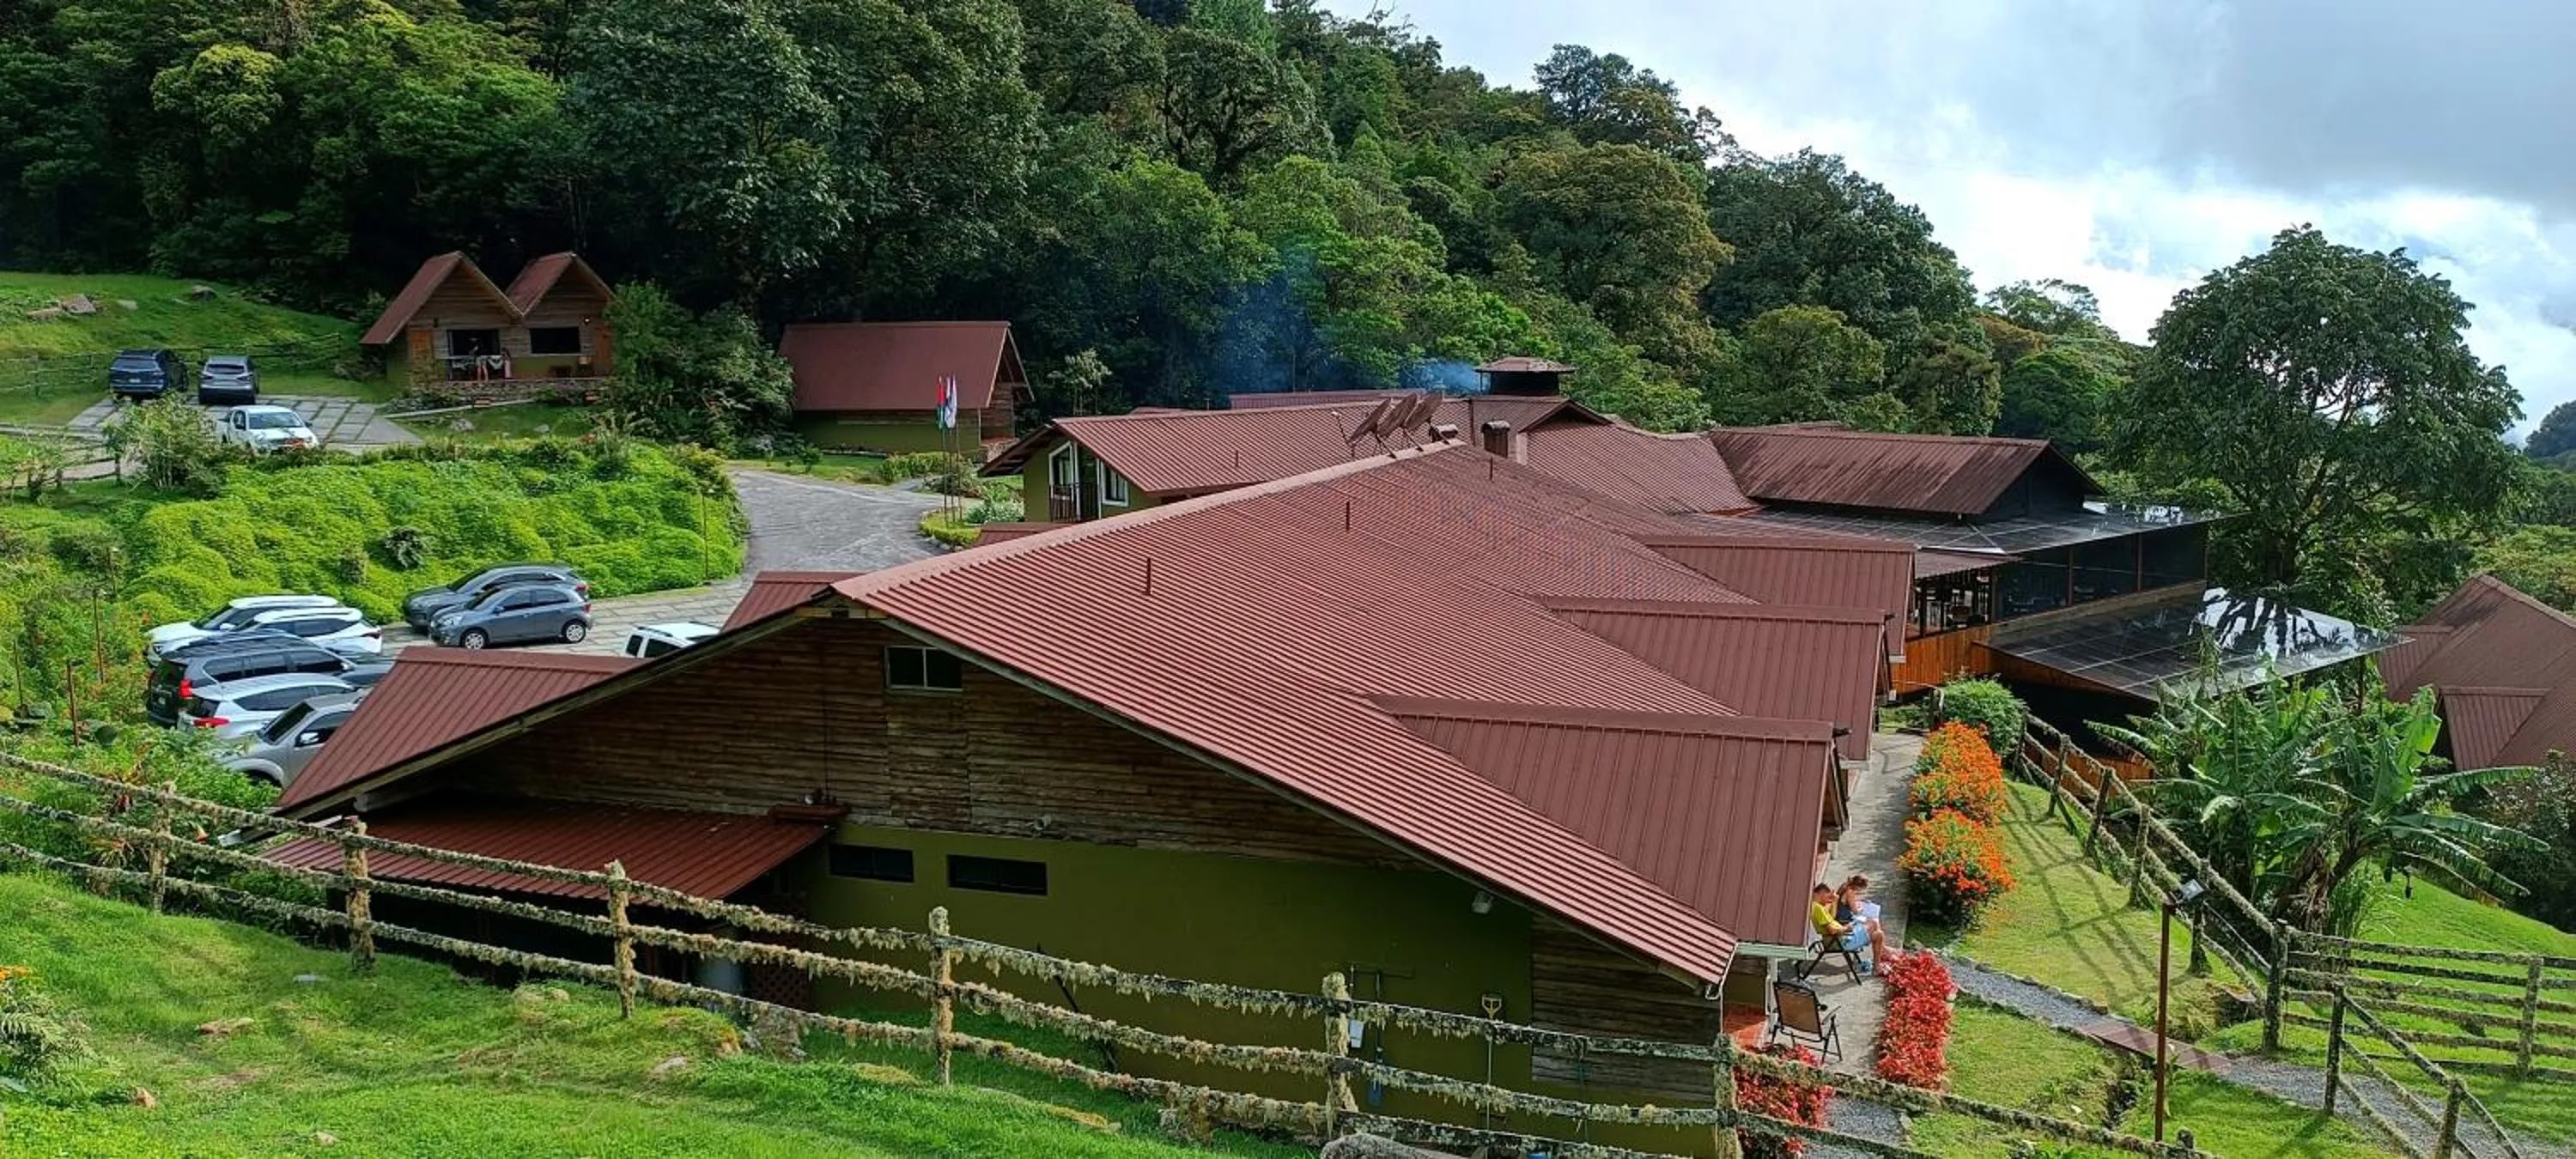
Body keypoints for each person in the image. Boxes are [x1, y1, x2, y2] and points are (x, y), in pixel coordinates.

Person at [1809, 883, 1875, 976]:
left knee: (1874, 929)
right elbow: (1832, 931)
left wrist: (1835, 901)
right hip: (1839, 941)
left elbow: (1831, 917)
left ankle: (1877, 963)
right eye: (1827, 897)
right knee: (1874, 927)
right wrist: (1846, 928)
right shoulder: (1818, 909)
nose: (1828, 900)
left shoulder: (1818, 906)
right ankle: (1877, 965)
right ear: (1821, 893)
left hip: (1838, 938)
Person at [1838, 875, 1897, 971]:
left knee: (1875, 923)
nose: (1860, 891)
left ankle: (1884, 949)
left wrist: (1860, 902)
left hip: (1847, 920)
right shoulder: (1850, 892)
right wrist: (1861, 907)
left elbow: (1850, 904)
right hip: (1846, 923)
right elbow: (1856, 911)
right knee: (1874, 922)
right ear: (1858, 886)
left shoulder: (1846, 887)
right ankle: (1884, 950)